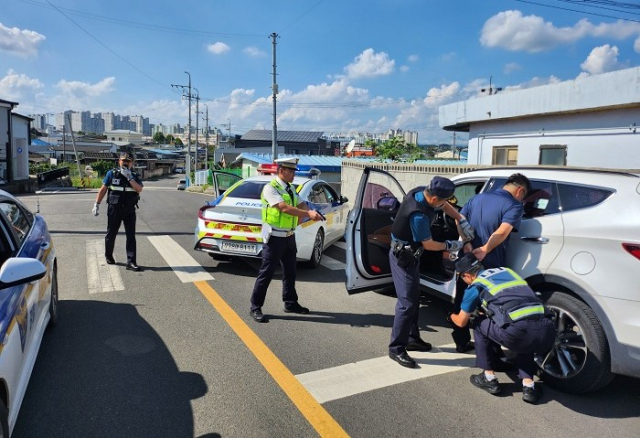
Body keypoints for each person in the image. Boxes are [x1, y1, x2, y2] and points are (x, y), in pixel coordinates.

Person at [387, 176, 475, 368]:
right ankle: (397, 348)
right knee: (407, 303)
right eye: (444, 200)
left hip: (411, 254)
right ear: (434, 198)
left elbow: (445, 207)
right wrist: (452, 244)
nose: (445, 204)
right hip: (403, 256)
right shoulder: (418, 215)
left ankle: (411, 337)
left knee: (413, 297)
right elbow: (429, 245)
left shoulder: (422, 192)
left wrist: (460, 218)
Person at [450, 253, 555, 404]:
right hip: (547, 330)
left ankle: (488, 377)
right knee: (526, 325)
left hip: (518, 334)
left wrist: (451, 316)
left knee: (479, 323)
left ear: (467, 275)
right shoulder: (507, 272)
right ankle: (529, 387)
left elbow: (461, 322)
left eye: (462, 278)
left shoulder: (475, 287)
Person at [449, 173, 532, 353]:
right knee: (491, 308)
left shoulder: (478, 197)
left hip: (468, 260)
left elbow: (458, 218)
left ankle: (461, 342)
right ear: (520, 191)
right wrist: (486, 248)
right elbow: (502, 232)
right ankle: (492, 354)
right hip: (491, 262)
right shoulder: (514, 205)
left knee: (463, 300)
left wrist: (467, 242)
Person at [249, 157, 324, 323]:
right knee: (266, 273)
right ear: (281, 170)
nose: (292, 175)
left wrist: (306, 212)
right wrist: (308, 215)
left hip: (289, 237)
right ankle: (255, 307)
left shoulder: (290, 188)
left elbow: (301, 203)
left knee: (290, 272)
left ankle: (290, 303)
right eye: (290, 171)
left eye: (293, 171)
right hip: (274, 238)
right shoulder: (271, 188)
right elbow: (284, 208)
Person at [92, 152, 144, 271]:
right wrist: (97, 204)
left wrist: (129, 177)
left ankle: (131, 262)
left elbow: (139, 188)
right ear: (119, 161)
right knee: (111, 233)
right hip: (114, 209)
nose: (125, 163)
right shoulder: (112, 173)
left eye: (128, 161)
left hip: (129, 209)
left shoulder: (134, 175)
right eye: (123, 160)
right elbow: (103, 189)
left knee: (131, 235)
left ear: (132, 163)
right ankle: (108, 255)